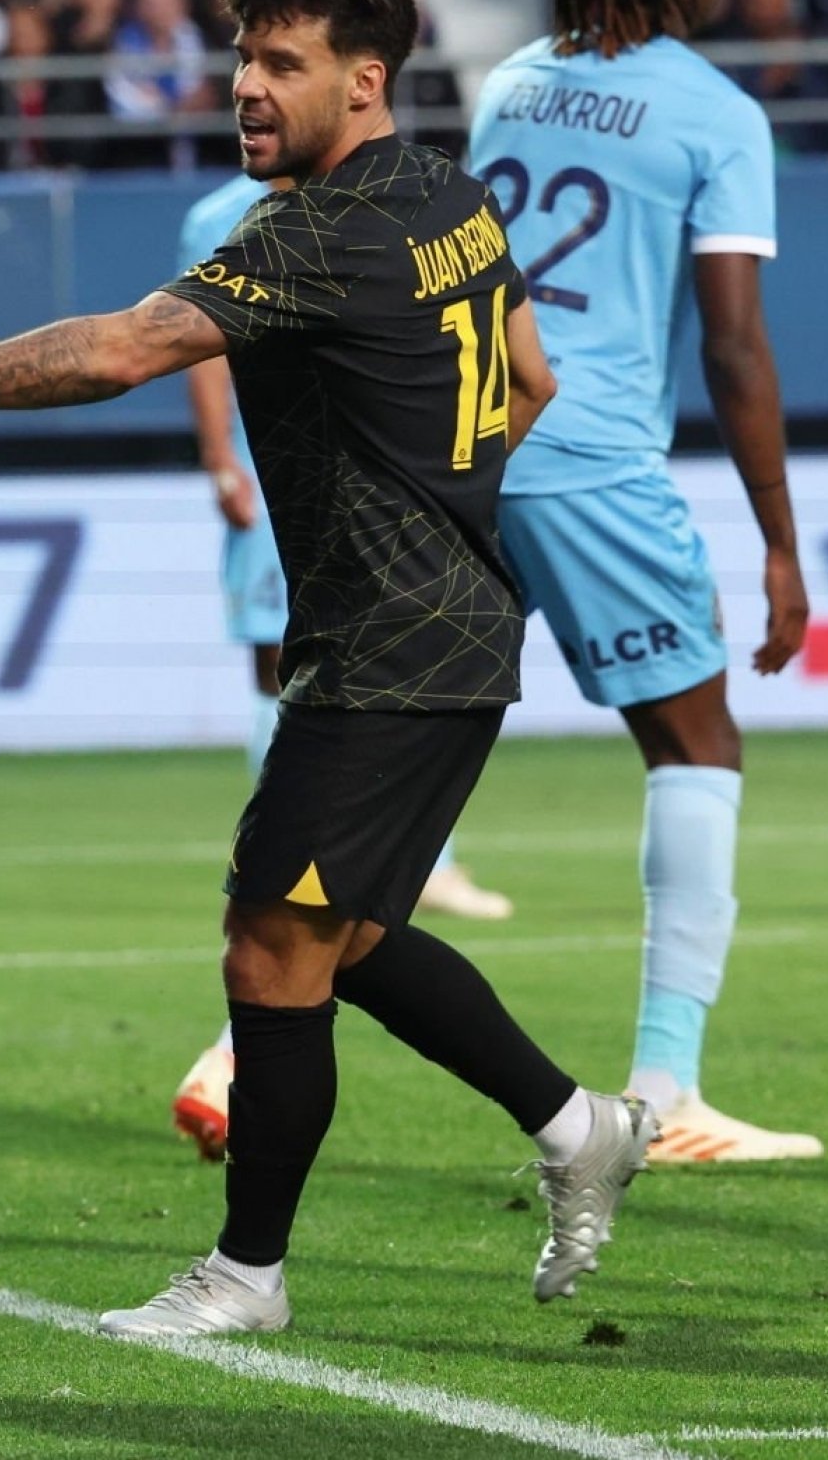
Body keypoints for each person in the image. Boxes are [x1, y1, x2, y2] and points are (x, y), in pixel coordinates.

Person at [0, 0, 653, 1335]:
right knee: (343, 938)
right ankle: (579, 1126)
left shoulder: (315, 230)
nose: (245, 87)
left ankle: (244, 1276)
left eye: (281, 64)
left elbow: (118, 351)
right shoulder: (448, 194)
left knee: (267, 952)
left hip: (390, 645)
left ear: (362, 81)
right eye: (242, 59)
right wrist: (435, 498)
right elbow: (529, 380)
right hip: (446, 623)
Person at [469, 0, 820, 1164]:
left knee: (403, 757)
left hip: (464, 444)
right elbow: (731, 345)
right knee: (693, 743)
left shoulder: (507, 84)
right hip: (588, 457)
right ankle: (665, 1093)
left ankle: (243, 1040)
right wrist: (778, 541)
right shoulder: (713, 113)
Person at [164, 169, 516, 1165]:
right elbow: (184, 343)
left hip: (375, 524)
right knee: (284, 682)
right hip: (304, 494)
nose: (253, 98)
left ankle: (414, 875)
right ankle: (573, 1121)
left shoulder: (390, 209)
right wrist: (219, 458)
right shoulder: (237, 215)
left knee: (307, 921)